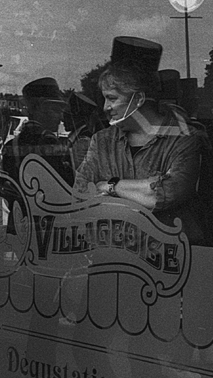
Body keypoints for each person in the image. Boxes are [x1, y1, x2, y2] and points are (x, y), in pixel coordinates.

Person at [73, 36, 205, 239]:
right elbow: (81, 193)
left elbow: (165, 193)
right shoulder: (102, 141)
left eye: (112, 98)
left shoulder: (184, 138)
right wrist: (141, 189)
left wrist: (108, 186)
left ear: (139, 99)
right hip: (109, 252)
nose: (105, 108)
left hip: (166, 258)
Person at [1, 77, 74, 184]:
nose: (61, 117)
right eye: (55, 110)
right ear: (39, 108)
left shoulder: (12, 145)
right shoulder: (51, 144)